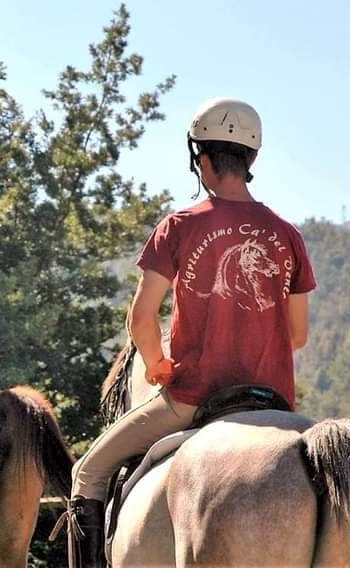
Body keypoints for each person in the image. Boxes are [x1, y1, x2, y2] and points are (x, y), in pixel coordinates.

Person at [67, 98, 316, 568]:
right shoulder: (287, 235)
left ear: (200, 159)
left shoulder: (179, 227)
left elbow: (142, 319)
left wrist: (158, 365)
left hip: (191, 398)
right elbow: (296, 335)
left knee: (88, 472)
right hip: (275, 400)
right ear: (252, 160)